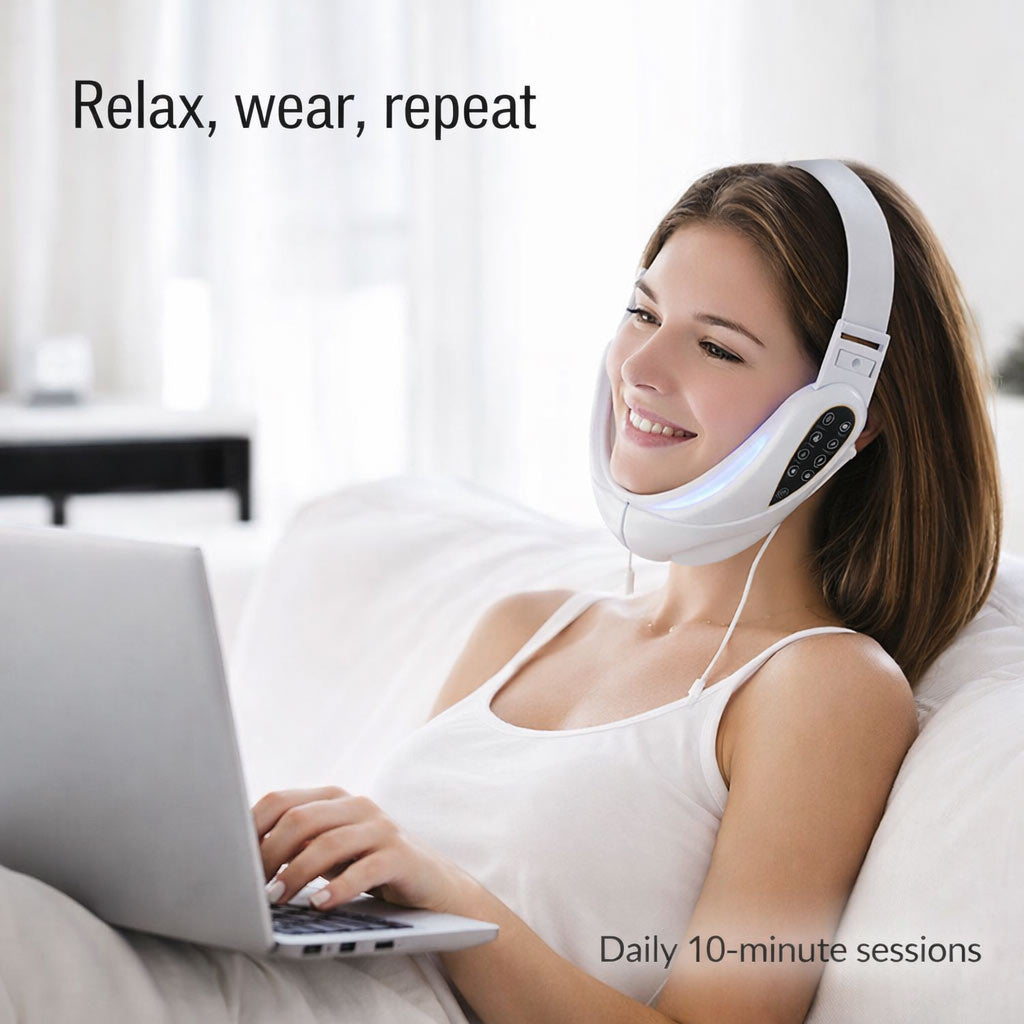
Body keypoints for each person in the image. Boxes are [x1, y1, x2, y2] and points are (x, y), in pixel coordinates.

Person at [251, 160, 1002, 1024]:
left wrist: (447, 904)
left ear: (841, 422)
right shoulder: (526, 625)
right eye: (643, 313)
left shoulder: (824, 688)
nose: (640, 364)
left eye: (716, 345)